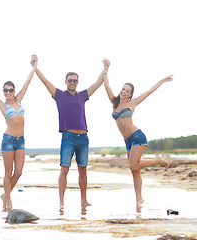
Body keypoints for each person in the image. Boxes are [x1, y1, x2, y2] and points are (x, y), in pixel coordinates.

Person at [31, 56, 109, 212]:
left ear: (77, 82)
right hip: (68, 138)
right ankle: (61, 202)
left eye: (75, 80)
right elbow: (45, 81)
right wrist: (35, 66)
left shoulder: (82, 96)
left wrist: (106, 69)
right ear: (65, 81)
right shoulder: (59, 95)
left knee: (83, 170)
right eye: (70, 80)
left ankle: (84, 200)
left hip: (83, 139)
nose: (72, 83)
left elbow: (97, 83)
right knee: (64, 170)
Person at [102, 58, 172, 210]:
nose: (123, 91)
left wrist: (161, 80)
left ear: (130, 95)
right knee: (135, 170)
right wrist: (106, 68)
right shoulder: (114, 102)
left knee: (132, 165)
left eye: (127, 91)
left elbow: (148, 92)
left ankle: (157, 160)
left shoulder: (132, 104)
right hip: (127, 141)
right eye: (123, 89)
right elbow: (106, 84)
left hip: (137, 137)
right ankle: (139, 199)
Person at [0, 55, 37, 212]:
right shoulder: (2, 105)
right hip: (8, 140)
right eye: (5, 90)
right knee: (8, 172)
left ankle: (5, 194)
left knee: (19, 172)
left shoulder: (18, 100)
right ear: (3, 92)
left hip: (21, 140)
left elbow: (28, 82)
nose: (8, 92)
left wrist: (34, 66)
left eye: (10, 90)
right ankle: (8, 201)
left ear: (14, 91)